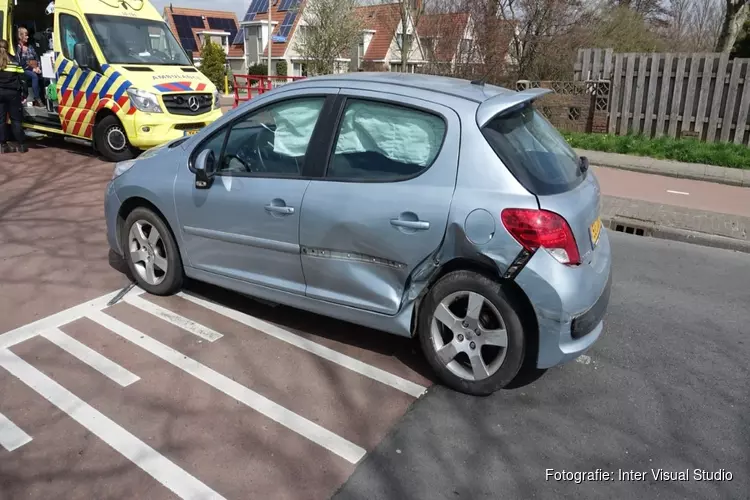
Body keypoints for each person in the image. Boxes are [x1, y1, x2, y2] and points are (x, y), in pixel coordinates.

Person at [0, 39, 27, 153]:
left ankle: (3, 145)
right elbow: (22, 78)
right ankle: (21, 145)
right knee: (16, 120)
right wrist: (25, 93)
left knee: (1, 121)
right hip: (13, 94)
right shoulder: (15, 60)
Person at [16, 27, 43, 107]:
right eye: (26, 35)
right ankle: (37, 98)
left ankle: (43, 98)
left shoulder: (30, 46)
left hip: (33, 67)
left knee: (42, 76)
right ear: (20, 36)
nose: (28, 37)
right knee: (34, 76)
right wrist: (32, 69)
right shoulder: (18, 48)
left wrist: (38, 67)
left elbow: (36, 57)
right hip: (23, 69)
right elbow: (20, 62)